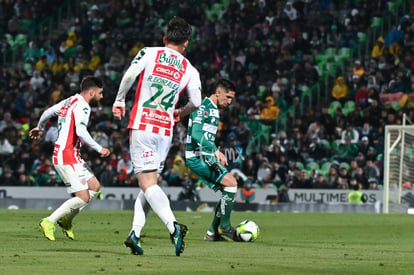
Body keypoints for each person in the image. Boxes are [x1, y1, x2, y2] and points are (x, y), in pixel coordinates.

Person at [112, 16, 202, 256]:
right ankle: (135, 233)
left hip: (143, 125)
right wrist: (180, 113)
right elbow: (196, 102)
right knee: (149, 186)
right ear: (186, 43)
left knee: (147, 183)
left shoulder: (149, 53)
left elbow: (131, 74)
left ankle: (173, 226)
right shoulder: (190, 69)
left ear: (165, 39)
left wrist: (120, 99)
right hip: (164, 131)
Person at [29, 76, 110, 241]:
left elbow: (47, 112)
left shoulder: (70, 100)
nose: (102, 97)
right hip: (66, 156)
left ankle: (67, 220)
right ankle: (49, 221)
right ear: (92, 92)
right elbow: (81, 132)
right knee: (83, 197)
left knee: (94, 187)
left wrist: (39, 127)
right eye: (100, 93)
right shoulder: (83, 107)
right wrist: (99, 148)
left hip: (72, 154)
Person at [185, 79, 239, 242]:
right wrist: (215, 150)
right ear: (218, 93)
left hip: (204, 156)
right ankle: (225, 227)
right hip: (197, 156)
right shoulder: (202, 107)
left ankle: (212, 233)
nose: (229, 102)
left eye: (232, 99)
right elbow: (195, 134)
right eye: (228, 97)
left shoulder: (214, 109)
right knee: (232, 183)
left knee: (227, 191)